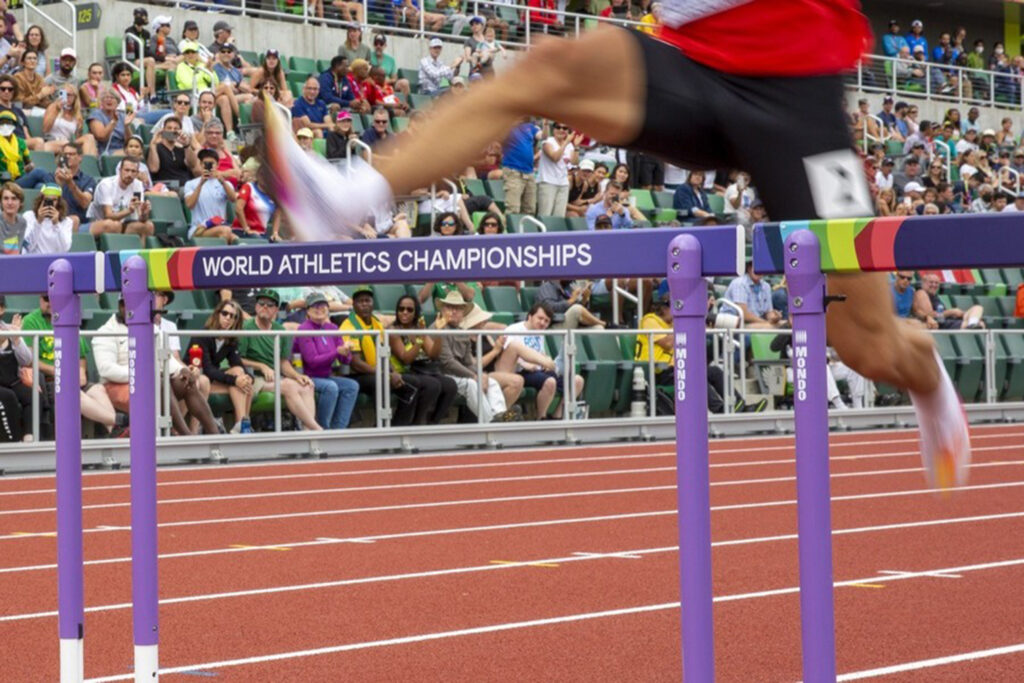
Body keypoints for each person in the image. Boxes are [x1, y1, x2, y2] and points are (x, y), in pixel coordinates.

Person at [267, 2, 971, 488]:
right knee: (546, 66)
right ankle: (351, 194)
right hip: (693, 69)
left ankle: (928, 373)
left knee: (865, 346)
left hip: (797, 101)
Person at [21, 293, 120, 437]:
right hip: (48, 381)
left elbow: (81, 356)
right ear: (40, 300)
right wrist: (56, 371)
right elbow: (29, 359)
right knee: (75, 394)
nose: (50, 303)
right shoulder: (31, 321)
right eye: (46, 299)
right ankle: (119, 421)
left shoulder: (69, 318)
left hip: (70, 377)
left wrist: (81, 372)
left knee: (98, 389)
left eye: (55, 298)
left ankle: (115, 433)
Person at [238, 288, 321, 431]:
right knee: (289, 386)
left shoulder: (280, 330)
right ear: (256, 306)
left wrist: (298, 376)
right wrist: (261, 366)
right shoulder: (246, 327)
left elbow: (283, 362)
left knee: (307, 385)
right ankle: (317, 430)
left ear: (276, 309)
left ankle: (308, 433)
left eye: (270, 305)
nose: (265, 307)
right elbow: (238, 358)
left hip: (276, 377)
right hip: (254, 378)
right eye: (261, 303)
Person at [436, 290, 516, 423]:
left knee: (491, 382)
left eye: (458, 308)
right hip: (442, 375)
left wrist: (480, 374)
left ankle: (500, 416)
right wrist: (474, 376)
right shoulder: (437, 328)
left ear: (463, 313)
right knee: (472, 384)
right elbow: (447, 362)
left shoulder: (462, 332)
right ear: (443, 310)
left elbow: (468, 362)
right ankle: (490, 423)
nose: (453, 311)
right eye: (450, 307)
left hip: (460, 375)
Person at [499, 302, 584, 420]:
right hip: (521, 371)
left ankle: (558, 416)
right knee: (550, 382)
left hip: (538, 371)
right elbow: (508, 355)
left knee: (578, 380)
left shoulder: (540, 333)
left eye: (546, 321)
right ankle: (541, 418)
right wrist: (526, 364)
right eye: (540, 318)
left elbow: (540, 353)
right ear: (530, 316)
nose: (543, 323)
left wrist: (547, 360)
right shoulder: (514, 329)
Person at [339, 285, 412, 423]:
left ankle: (399, 425)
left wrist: (394, 372)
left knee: (411, 384)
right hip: (357, 375)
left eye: (368, 300)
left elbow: (385, 353)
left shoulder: (376, 323)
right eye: (361, 301)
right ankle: (381, 425)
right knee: (382, 380)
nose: (365, 304)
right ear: (353, 305)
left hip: (377, 372)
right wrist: (386, 374)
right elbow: (356, 364)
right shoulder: (348, 326)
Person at [153, 290, 220, 436]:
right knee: (171, 381)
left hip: (169, 368)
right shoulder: (142, 325)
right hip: (157, 373)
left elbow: (174, 356)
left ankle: (198, 431)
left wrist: (187, 369)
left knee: (199, 380)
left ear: (164, 300)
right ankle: (181, 432)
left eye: (157, 294)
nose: (153, 298)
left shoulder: (169, 326)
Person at [388, 295, 458, 425]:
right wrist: (420, 339)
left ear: (416, 313)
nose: (404, 312)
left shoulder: (418, 328)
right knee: (432, 385)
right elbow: (405, 359)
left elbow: (433, 355)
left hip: (423, 370)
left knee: (450, 385)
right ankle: (418, 421)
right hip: (405, 371)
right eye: (401, 309)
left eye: (409, 310)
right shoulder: (393, 331)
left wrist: (439, 332)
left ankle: (433, 422)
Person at [294, 291, 359, 430]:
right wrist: (336, 352)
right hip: (308, 377)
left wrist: (347, 352)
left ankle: (339, 429)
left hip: (327, 376)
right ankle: (323, 428)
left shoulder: (333, 328)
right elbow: (312, 361)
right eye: (314, 306)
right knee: (331, 387)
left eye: (322, 305)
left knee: (351, 386)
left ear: (328, 309)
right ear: (307, 311)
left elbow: (344, 360)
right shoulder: (304, 329)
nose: (319, 308)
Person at [194, 299, 254, 434]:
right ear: (217, 314)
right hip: (199, 380)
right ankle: (242, 427)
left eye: (233, 316)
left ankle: (240, 425)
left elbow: (237, 363)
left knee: (241, 376)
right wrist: (235, 380)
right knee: (238, 383)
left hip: (212, 380)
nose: (228, 318)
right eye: (225, 313)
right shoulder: (203, 334)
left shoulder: (230, 339)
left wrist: (248, 378)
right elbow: (208, 370)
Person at [86, 156, 153, 240]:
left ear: (137, 173)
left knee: (148, 226)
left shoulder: (138, 185)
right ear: (120, 170)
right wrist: (129, 210)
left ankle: (138, 253)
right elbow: (108, 216)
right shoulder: (106, 185)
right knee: (114, 225)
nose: (129, 174)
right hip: (98, 221)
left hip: (123, 223)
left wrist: (144, 213)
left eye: (133, 171)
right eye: (126, 170)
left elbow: (140, 218)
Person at [184, 148, 238, 241]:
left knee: (235, 239)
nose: (208, 166)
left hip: (219, 225)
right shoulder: (191, 184)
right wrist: (201, 183)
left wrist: (223, 182)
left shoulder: (225, 184)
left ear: (217, 165)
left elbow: (233, 199)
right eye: (205, 163)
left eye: (211, 163)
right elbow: (189, 205)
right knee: (225, 231)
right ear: (201, 164)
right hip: (199, 229)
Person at [0, 307, 36, 441]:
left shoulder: (10, 329)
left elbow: (27, 360)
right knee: (9, 396)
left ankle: (29, 437)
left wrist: (16, 340)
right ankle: (13, 441)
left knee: (32, 395)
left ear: (2, 309)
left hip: (11, 380)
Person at [537, 122, 581, 216]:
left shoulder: (569, 145)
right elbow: (555, 158)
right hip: (547, 181)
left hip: (563, 183)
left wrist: (576, 146)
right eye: (558, 127)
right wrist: (565, 143)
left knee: (559, 216)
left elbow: (574, 162)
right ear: (553, 129)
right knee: (545, 214)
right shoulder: (548, 141)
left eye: (565, 128)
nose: (561, 130)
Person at [913, 272, 984, 330]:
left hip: (949, 320)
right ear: (923, 283)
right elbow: (929, 316)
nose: (934, 285)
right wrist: (951, 312)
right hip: (941, 324)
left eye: (936, 283)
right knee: (981, 324)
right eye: (931, 282)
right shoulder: (921, 293)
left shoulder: (935, 296)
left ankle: (972, 323)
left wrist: (959, 313)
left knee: (978, 308)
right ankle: (972, 325)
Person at [40, 85, 97, 156]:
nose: (66, 97)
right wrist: (57, 110)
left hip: (68, 143)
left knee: (90, 137)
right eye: (63, 94)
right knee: (69, 143)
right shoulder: (53, 107)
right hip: (52, 141)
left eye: (69, 95)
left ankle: (90, 164)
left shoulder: (77, 115)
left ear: (74, 97)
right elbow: (45, 129)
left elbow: (78, 137)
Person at [535, 279, 607, 330]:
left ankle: (604, 325)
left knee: (598, 328)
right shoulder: (547, 287)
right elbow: (547, 308)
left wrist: (585, 299)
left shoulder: (568, 288)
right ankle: (606, 324)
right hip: (554, 326)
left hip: (573, 325)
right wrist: (571, 300)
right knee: (576, 309)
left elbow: (578, 312)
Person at [21, 184, 71, 254]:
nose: (51, 204)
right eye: (47, 200)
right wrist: (38, 222)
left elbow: (65, 248)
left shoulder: (67, 221)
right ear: (41, 200)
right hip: (34, 260)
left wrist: (56, 224)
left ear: (59, 202)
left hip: (55, 261)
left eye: (54, 200)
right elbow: (27, 247)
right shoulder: (29, 216)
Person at [148, 115, 198, 185]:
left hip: (186, 184)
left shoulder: (184, 148)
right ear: (163, 130)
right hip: (166, 185)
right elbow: (153, 169)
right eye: (169, 128)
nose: (172, 131)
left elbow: (193, 165)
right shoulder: (156, 147)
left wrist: (186, 145)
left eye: (175, 129)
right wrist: (153, 145)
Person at [87, 87, 131, 155]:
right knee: (131, 153)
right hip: (106, 151)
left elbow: (129, 141)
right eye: (106, 98)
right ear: (102, 102)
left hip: (123, 149)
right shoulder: (96, 115)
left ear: (118, 102)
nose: (109, 100)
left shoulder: (122, 116)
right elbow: (101, 136)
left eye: (112, 98)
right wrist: (113, 122)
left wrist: (126, 126)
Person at [0, 109, 30, 181]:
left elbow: (28, 162)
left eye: (8, 123)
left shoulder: (21, 142)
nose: (5, 125)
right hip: (3, 181)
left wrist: (29, 167)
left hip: (20, 178)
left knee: (39, 185)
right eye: (2, 123)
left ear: (14, 126)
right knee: (39, 172)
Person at [0, 180, 24, 252]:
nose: (9, 203)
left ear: (20, 203)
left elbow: (17, 251)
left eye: (14, 198)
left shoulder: (22, 222)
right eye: (6, 198)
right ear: (0, 202)